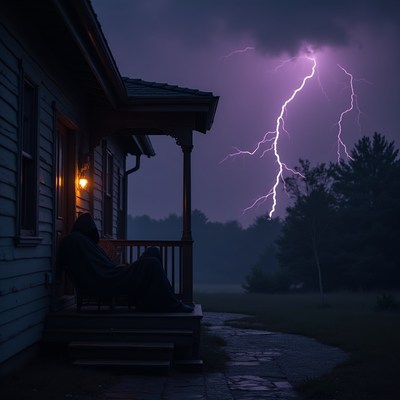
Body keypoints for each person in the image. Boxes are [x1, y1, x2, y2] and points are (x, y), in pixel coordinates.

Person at [58, 212, 194, 313]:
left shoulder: (87, 243)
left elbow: (104, 265)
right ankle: (173, 305)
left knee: (153, 251)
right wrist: (120, 270)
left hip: (115, 274)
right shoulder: (75, 242)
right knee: (151, 263)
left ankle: (162, 300)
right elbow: (97, 271)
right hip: (109, 281)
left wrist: (121, 267)